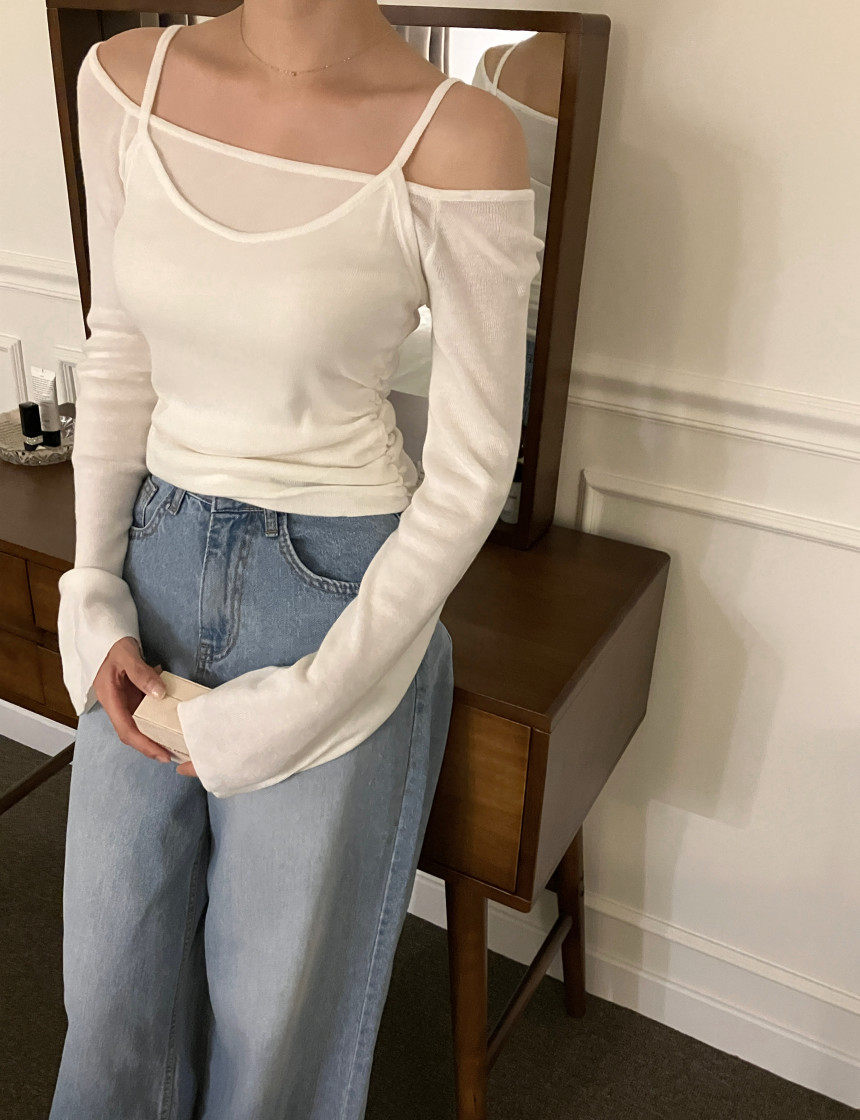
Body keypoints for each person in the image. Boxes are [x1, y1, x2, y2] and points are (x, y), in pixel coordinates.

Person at [49, 6, 542, 1118]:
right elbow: (119, 350)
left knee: (274, 1025)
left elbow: (472, 468)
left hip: (332, 592)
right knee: (108, 992)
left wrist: (312, 699)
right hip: (152, 562)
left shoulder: (457, 135)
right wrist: (94, 591)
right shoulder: (121, 77)